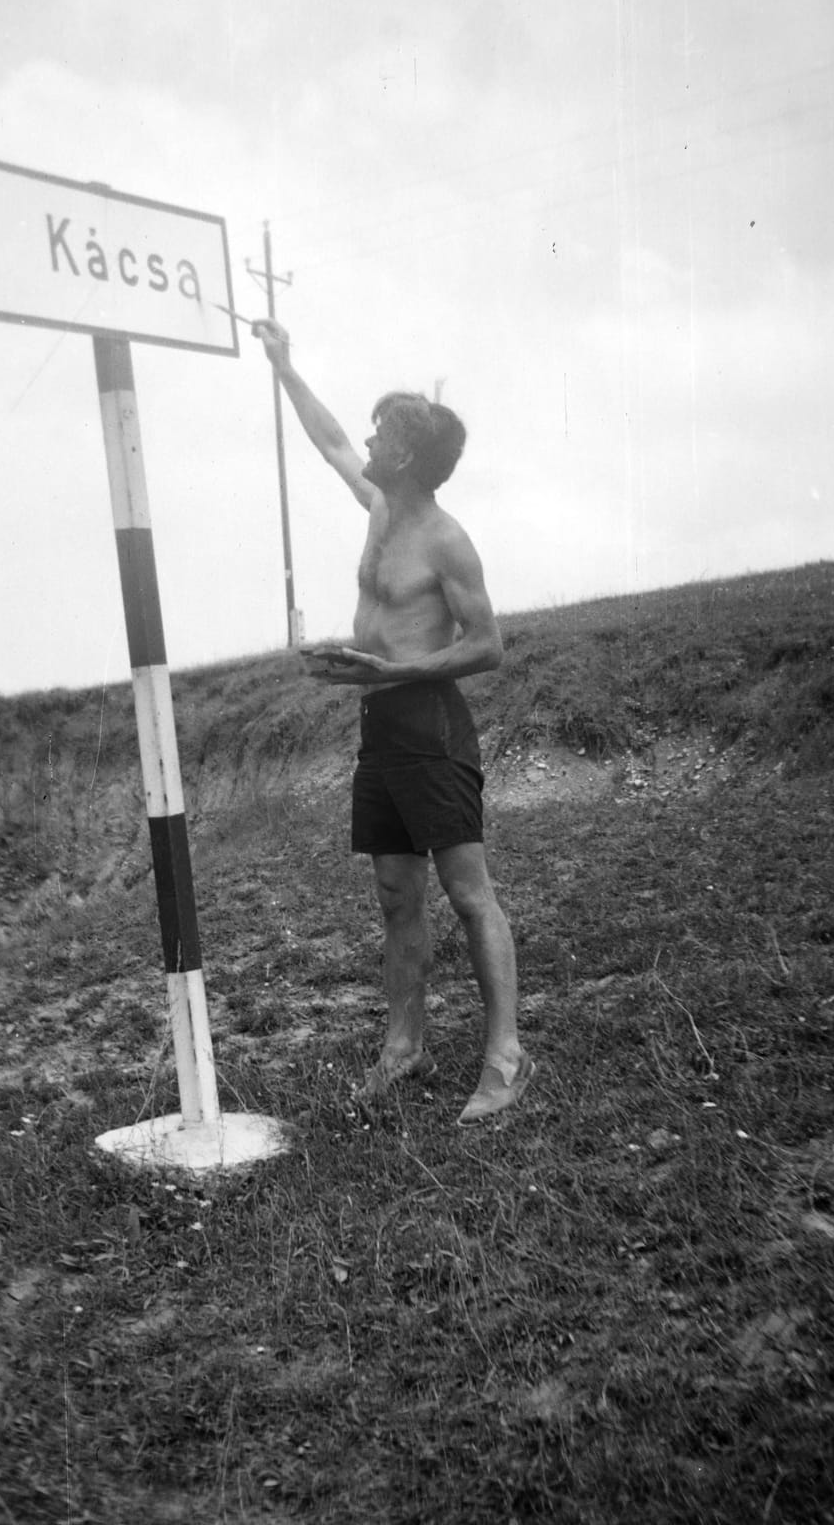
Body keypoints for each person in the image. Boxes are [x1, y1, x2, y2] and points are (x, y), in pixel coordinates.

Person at [252, 318, 533, 1124]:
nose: (368, 442)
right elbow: (330, 437)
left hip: (430, 724)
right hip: (379, 723)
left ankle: (507, 1059)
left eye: (383, 435)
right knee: (394, 893)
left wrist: (396, 671)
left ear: (408, 455)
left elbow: (489, 646)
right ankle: (403, 1048)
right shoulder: (378, 504)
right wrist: (286, 368)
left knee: (468, 893)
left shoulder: (448, 541)